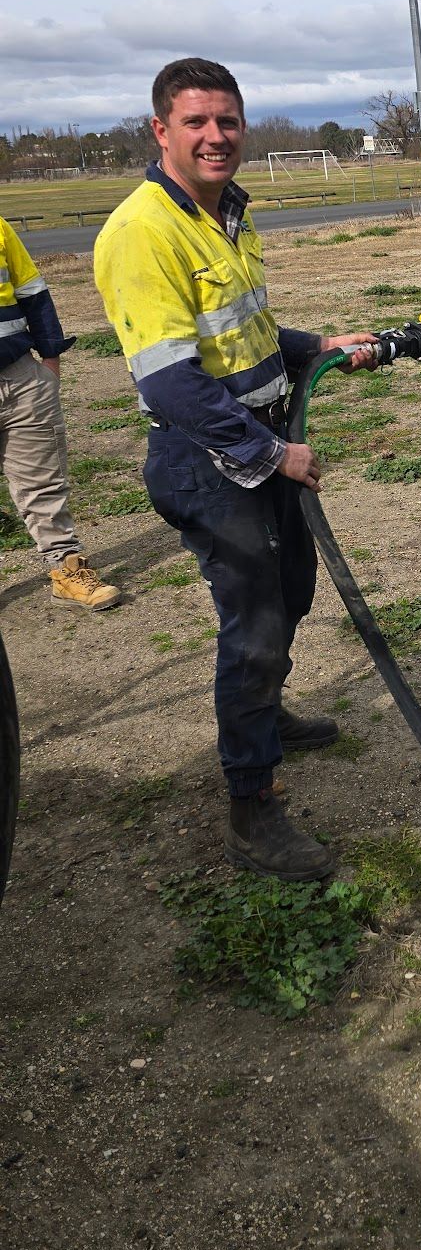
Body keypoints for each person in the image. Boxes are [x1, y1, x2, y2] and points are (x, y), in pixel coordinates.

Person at [94, 57, 378, 881]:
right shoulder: (141, 231)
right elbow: (174, 380)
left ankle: (268, 716)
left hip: (259, 440)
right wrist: (272, 453)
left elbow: (242, 335)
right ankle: (252, 810)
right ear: (161, 131)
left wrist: (316, 346)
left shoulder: (227, 215)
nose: (216, 136)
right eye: (196, 122)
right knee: (253, 628)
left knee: (291, 592)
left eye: (228, 121)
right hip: (208, 460)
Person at [0, 217, 121, 610]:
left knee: (44, 484)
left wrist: (49, 357)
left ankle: (66, 570)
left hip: (19, 377)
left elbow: (32, 291)